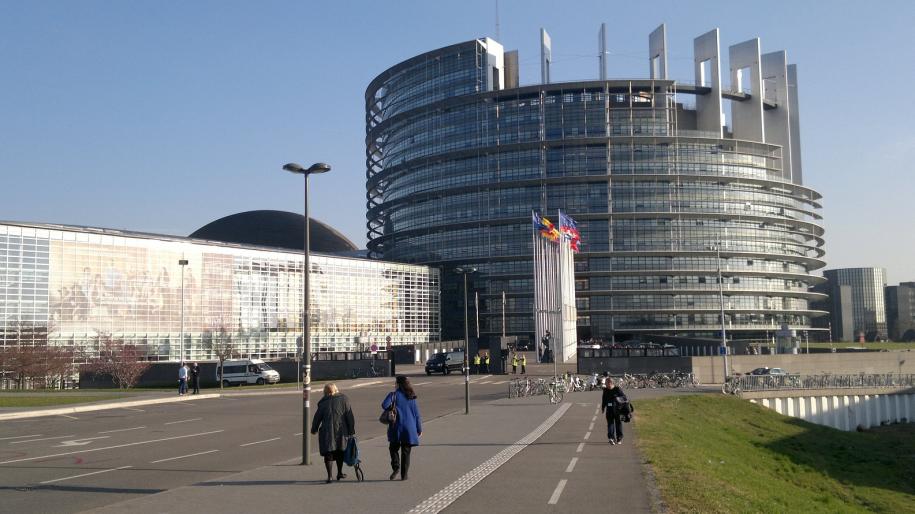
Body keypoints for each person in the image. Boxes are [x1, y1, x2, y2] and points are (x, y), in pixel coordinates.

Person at [311, 383, 355, 483]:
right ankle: (339, 472)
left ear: (325, 391)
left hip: (327, 432)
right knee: (340, 451)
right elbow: (349, 416)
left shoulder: (323, 403)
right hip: (341, 430)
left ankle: (330, 476)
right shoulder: (344, 399)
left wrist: (314, 429)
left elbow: (317, 417)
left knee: (328, 454)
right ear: (336, 389)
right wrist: (351, 430)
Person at [382, 375, 422, 481]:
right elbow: (417, 415)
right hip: (409, 428)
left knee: (393, 448)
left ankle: (396, 467)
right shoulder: (411, 396)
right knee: (406, 452)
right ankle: (404, 475)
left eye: (395, 383)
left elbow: (384, 405)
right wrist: (419, 429)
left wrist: (392, 407)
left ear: (398, 384)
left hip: (396, 427)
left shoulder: (393, 395)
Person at [601, 378, 630, 445]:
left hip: (618, 410)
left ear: (610, 383)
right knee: (610, 424)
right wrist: (603, 407)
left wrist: (617, 399)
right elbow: (604, 399)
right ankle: (611, 438)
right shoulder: (605, 390)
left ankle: (619, 438)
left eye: (606, 383)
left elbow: (624, 398)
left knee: (618, 424)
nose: (605, 384)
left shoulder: (617, 389)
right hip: (609, 410)